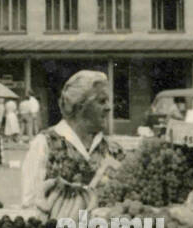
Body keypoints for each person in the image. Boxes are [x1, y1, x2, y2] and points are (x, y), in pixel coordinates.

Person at [20, 70, 122, 209]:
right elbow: (30, 203)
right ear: (80, 106)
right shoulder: (45, 143)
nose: (109, 107)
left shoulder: (114, 149)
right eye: (102, 101)